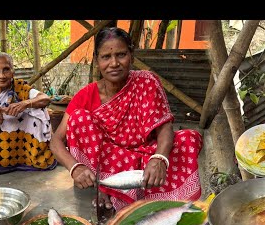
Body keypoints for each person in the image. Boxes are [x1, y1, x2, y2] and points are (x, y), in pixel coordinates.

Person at [50, 27, 203, 212]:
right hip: (108, 160)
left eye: (121, 54)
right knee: (79, 119)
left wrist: (160, 158)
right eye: (106, 57)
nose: (114, 63)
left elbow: (164, 127)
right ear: (97, 61)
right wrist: (75, 168)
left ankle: (135, 191)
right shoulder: (86, 95)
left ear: (131, 55)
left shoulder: (147, 82)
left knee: (189, 139)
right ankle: (104, 186)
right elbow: (56, 141)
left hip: (146, 158)